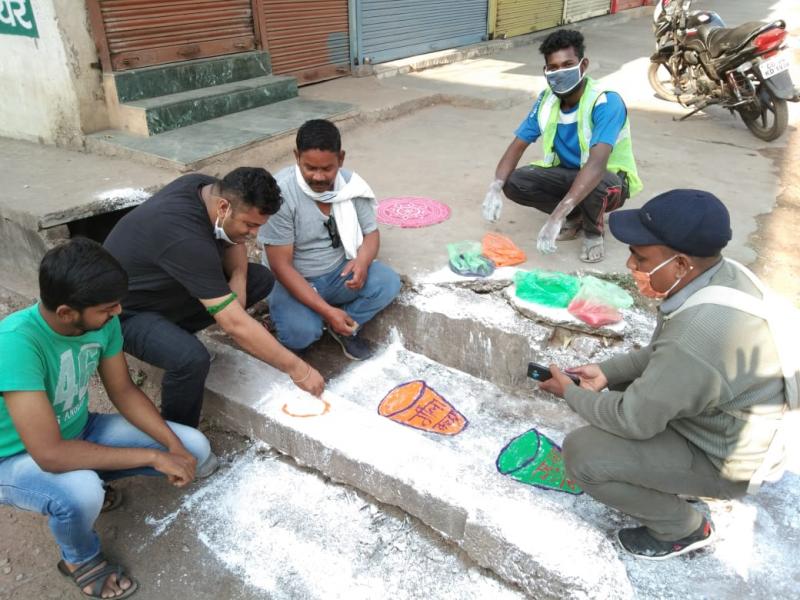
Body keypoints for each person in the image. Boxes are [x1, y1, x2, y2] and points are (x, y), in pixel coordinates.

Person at [539, 189, 789, 559]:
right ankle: (670, 478)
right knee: (625, 393)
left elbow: (633, 421)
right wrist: (606, 373)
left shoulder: (699, 334)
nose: (630, 266)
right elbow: (664, 355)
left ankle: (683, 528)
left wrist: (573, 394)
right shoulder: (721, 276)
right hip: (723, 423)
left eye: (641, 258)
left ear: (682, 264)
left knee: (583, 454)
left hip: (726, 460)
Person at [0, 238, 215, 599]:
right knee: (80, 493)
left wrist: (173, 446)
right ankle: (79, 559)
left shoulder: (100, 323)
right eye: (106, 307)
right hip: (15, 457)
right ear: (67, 312)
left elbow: (124, 390)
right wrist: (153, 456)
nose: (117, 312)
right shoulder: (15, 343)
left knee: (195, 444)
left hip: (79, 430)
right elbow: (49, 454)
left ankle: (91, 475)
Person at [104, 167, 324, 429]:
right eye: (250, 224)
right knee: (190, 359)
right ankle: (181, 437)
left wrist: (239, 280)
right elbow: (235, 325)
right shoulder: (185, 239)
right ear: (223, 207)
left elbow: (234, 240)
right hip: (123, 315)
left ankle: (173, 335)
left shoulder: (207, 188)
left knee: (259, 278)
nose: (254, 234)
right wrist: (299, 369)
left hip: (163, 291)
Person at [482, 29, 643, 263]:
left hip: (611, 181)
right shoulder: (546, 100)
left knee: (596, 183)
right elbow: (518, 144)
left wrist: (557, 215)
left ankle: (593, 233)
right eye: (553, 68)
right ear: (545, 71)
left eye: (567, 65)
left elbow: (597, 166)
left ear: (583, 65)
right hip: (569, 172)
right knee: (515, 182)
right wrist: (495, 187)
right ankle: (576, 215)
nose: (560, 73)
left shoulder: (605, 101)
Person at [259, 119, 401, 360]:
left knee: (387, 283)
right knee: (300, 335)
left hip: (337, 274)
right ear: (296, 157)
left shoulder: (351, 185)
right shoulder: (280, 194)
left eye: (327, 168)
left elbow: (371, 234)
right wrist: (327, 310)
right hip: (294, 279)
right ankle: (322, 318)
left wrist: (362, 262)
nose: (318, 176)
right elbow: (281, 266)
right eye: (309, 168)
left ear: (341, 159)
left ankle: (343, 328)